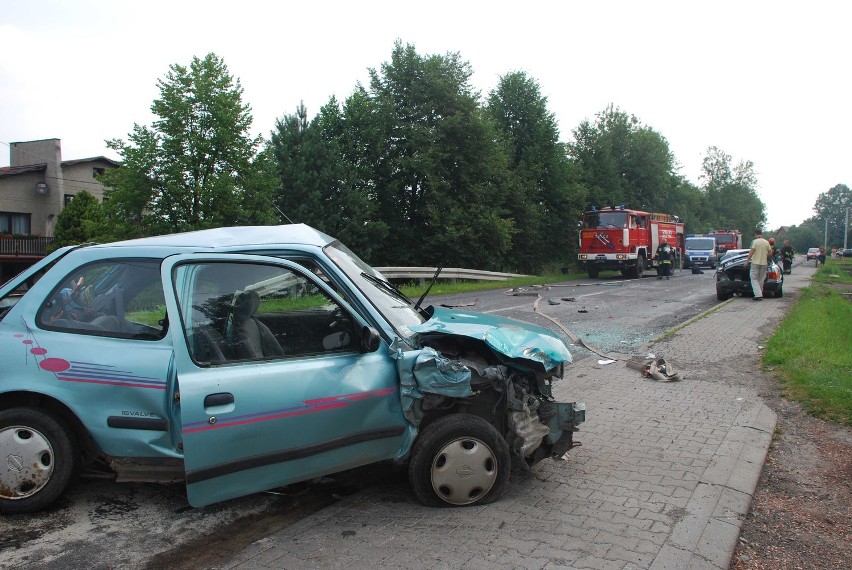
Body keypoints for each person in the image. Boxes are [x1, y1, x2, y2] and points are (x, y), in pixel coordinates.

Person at [744, 229, 771, 301]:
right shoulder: (766, 242)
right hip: (764, 263)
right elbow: (770, 253)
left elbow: (751, 252)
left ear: (756, 234)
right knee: (761, 279)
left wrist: (747, 261)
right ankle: (760, 293)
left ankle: (758, 295)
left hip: (755, 262)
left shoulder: (755, 242)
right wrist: (765, 257)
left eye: (754, 235)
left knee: (753, 278)